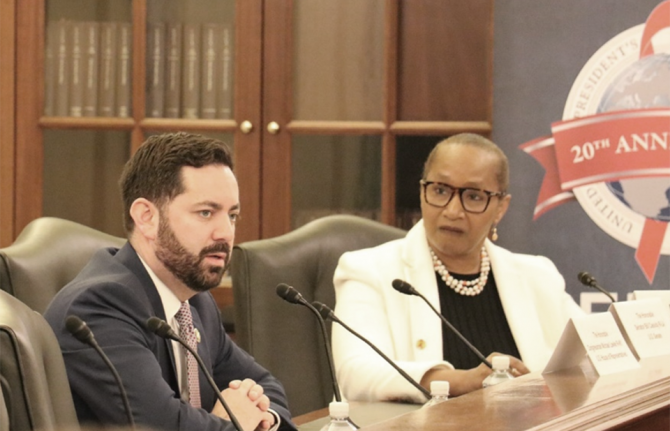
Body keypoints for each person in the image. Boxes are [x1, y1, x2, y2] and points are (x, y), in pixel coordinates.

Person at [45, 132, 297, 431]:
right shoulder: (99, 306)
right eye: (206, 212)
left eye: (232, 215)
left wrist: (264, 418)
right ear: (146, 217)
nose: (225, 233)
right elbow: (162, 425)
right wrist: (233, 423)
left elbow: (267, 386)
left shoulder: (194, 302)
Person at [331, 133, 583, 403]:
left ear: (500, 208)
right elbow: (355, 374)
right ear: (422, 192)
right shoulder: (368, 271)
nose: (453, 210)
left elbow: (594, 350)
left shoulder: (538, 276)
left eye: (473, 196)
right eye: (440, 191)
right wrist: (459, 381)